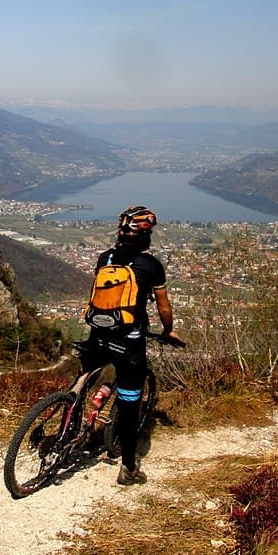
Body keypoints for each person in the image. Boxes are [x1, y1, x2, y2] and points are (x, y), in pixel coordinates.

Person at [77, 205, 183, 486]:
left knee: (87, 374)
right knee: (129, 402)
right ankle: (128, 468)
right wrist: (168, 331)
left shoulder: (104, 258)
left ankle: (70, 414)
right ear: (146, 236)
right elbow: (163, 306)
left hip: (98, 333)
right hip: (129, 341)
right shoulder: (151, 266)